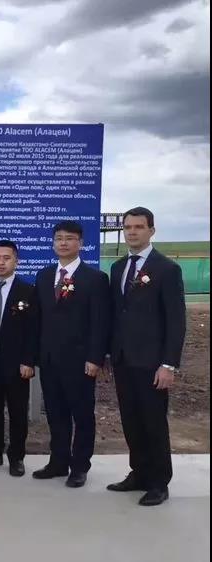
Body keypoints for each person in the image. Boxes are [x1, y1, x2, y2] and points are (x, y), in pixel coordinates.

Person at [106, 207, 186, 506]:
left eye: (139, 227)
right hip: (123, 360)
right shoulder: (118, 268)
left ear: (151, 230)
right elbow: (117, 314)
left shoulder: (166, 269)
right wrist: (109, 353)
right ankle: (138, 473)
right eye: (127, 227)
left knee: (153, 423)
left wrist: (168, 364)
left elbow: (176, 321)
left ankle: (159, 482)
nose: (132, 232)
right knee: (131, 421)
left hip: (152, 363)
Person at [33, 221, 110, 487]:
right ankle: (58, 462)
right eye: (58, 238)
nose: (63, 243)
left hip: (80, 361)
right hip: (50, 360)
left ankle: (80, 466)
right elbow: (39, 319)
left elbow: (100, 322)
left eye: (69, 238)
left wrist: (95, 358)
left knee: (82, 415)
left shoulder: (95, 279)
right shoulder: (44, 276)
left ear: (81, 243)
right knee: (56, 414)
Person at [0, 240, 38, 477]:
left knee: (17, 412)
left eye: (6, 258)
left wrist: (28, 361)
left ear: (16, 261)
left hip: (16, 364)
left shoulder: (27, 291)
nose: (0, 263)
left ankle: (16, 457)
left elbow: (33, 331)